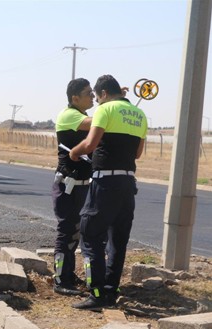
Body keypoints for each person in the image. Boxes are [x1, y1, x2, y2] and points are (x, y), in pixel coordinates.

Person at [68, 74, 147, 310]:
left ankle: (96, 294)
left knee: (91, 236)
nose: (96, 100)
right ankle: (111, 291)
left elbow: (90, 144)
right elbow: (137, 154)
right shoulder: (139, 114)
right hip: (127, 184)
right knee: (118, 241)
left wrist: (74, 151)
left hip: (105, 183)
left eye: (96, 96)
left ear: (103, 94)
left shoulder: (105, 109)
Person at [52, 78, 94, 296]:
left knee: (76, 232)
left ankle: (68, 273)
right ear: (74, 98)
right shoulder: (69, 115)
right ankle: (60, 280)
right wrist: (114, 106)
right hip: (68, 185)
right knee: (67, 231)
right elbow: (98, 124)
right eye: (89, 93)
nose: (93, 96)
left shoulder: (83, 117)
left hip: (82, 185)